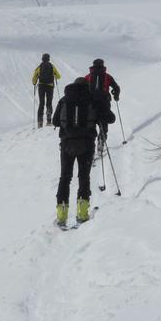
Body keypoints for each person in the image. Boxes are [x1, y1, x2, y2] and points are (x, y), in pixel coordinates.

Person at [52, 76, 115, 226]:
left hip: (67, 144)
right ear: (86, 86)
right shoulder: (92, 99)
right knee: (83, 177)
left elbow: (55, 121)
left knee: (65, 178)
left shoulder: (64, 100)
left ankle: (61, 216)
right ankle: (82, 213)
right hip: (86, 144)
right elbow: (110, 118)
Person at [86, 58, 120, 145]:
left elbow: (81, 88)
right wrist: (116, 96)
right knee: (104, 121)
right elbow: (116, 87)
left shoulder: (88, 77)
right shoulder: (107, 76)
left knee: (91, 121)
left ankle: (90, 142)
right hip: (104, 102)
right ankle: (102, 138)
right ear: (103, 65)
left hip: (91, 102)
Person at [31, 53, 62, 127]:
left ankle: (40, 122)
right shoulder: (52, 66)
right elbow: (59, 76)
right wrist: (53, 74)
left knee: (41, 103)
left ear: (42, 59)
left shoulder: (39, 67)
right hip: (50, 87)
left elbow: (33, 80)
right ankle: (48, 121)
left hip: (41, 86)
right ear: (49, 59)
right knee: (49, 102)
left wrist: (35, 82)